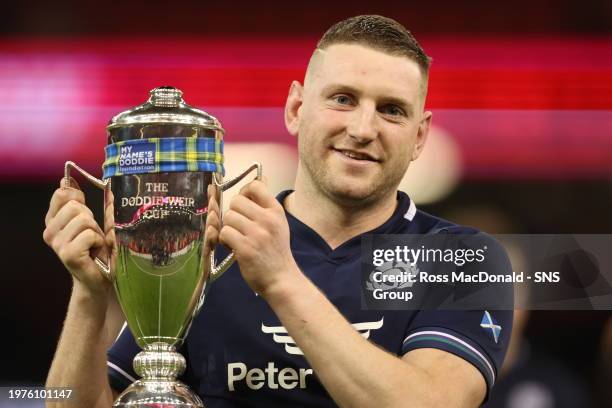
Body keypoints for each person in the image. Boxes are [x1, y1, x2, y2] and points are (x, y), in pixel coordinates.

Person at [43, 15, 513, 407]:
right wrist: (87, 295)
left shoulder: (465, 260)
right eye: (343, 99)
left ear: (419, 137)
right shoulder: (209, 245)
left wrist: (281, 280)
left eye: (391, 110)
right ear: (295, 108)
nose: (363, 128)